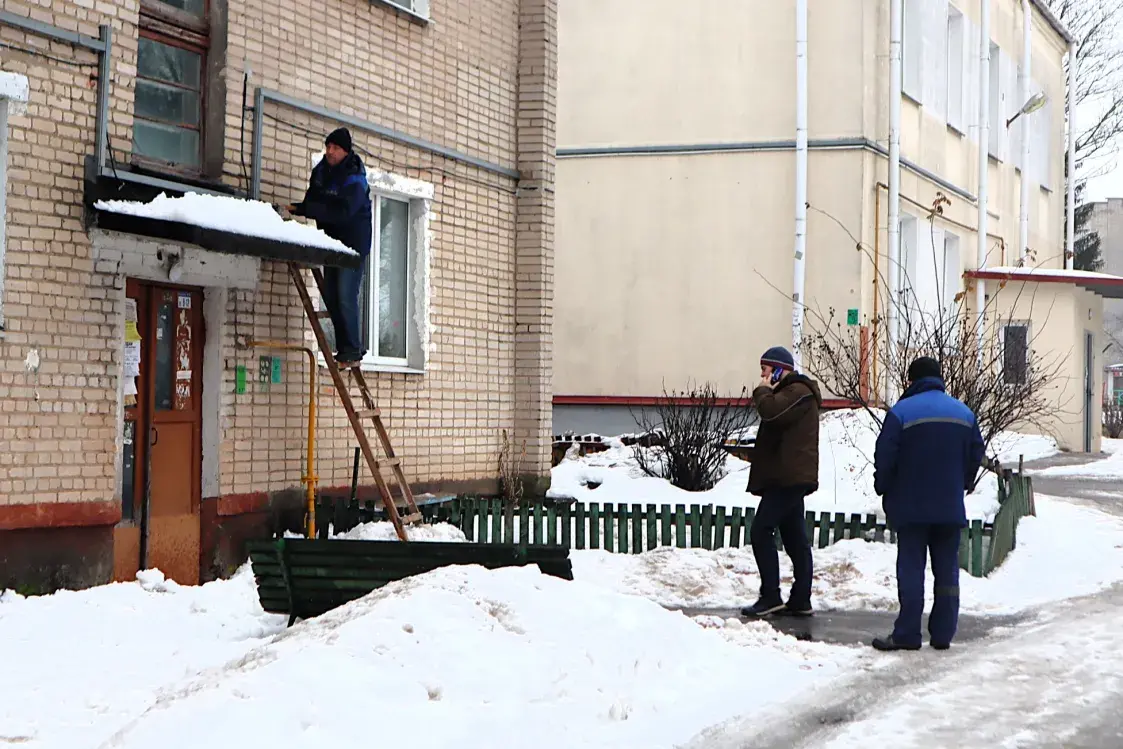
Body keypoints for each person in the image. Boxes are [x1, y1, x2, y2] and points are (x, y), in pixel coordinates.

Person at [871, 356, 985, 651]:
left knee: (911, 568)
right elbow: (976, 454)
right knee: (947, 571)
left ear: (912, 380)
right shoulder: (964, 413)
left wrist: (883, 486)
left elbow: (885, 456)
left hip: (910, 507)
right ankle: (943, 634)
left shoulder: (901, 412)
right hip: (948, 506)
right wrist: (962, 483)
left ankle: (908, 633)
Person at [741, 346, 823, 618]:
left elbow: (771, 412)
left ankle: (771, 596)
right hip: (787, 476)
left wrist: (763, 390)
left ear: (779, 369)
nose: (762, 376)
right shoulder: (792, 394)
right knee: (794, 536)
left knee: (761, 530)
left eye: (765, 370)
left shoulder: (797, 392)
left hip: (788, 478)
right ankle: (800, 599)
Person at [287, 127, 373, 365]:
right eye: (328, 147)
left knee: (345, 294)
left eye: (335, 148)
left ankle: (353, 349)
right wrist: (299, 208)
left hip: (353, 245)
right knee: (332, 296)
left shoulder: (355, 176)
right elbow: (312, 200)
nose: (330, 152)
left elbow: (344, 213)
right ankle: (345, 348)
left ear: (345, 151)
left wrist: (312, 210)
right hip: (332, 243)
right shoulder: (322, 171)